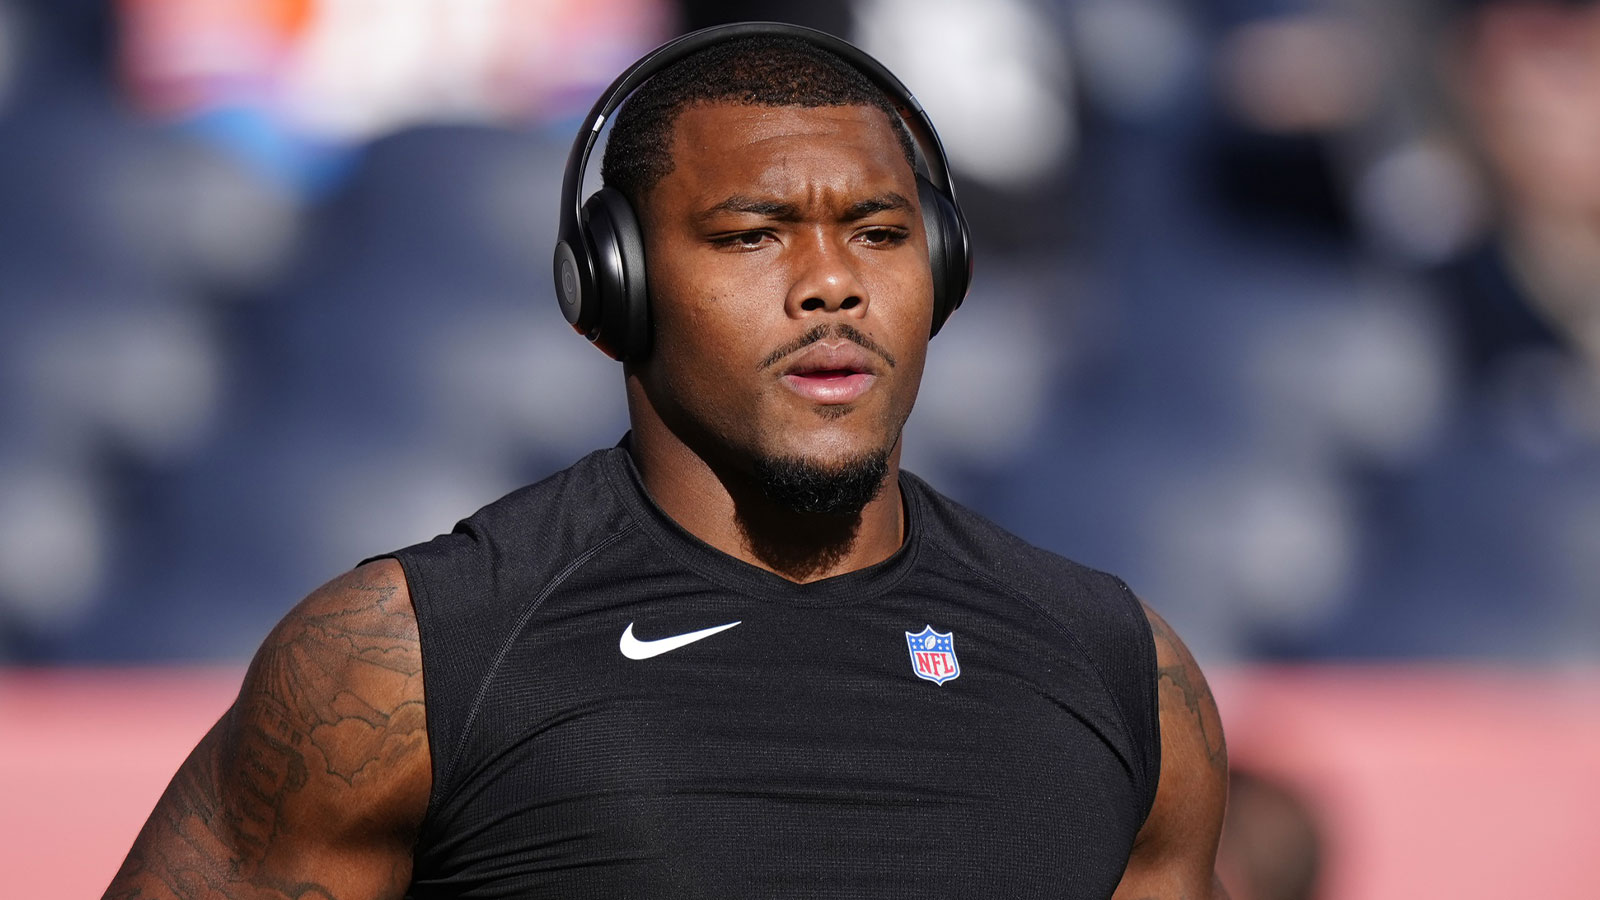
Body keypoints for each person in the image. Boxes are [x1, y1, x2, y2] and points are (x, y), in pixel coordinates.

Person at [104, 23, 1228, 900]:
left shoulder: (1122, 670)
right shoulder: (402, 663)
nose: (830, 284)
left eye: (881, 234)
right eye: (752, 234)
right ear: (611, 289)